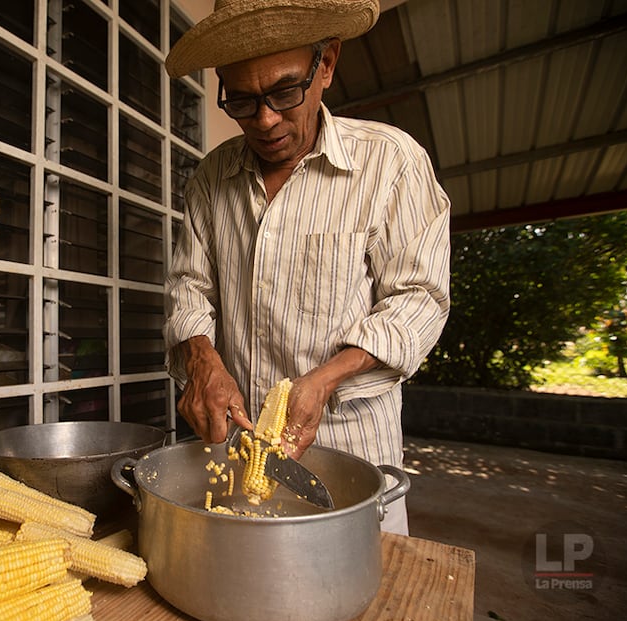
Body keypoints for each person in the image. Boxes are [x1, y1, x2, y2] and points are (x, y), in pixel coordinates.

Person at [162, 0, 451, 535]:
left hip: (354, 453)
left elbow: (418, 299)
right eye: (243, 101)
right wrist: (201, 358)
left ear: (327, 64)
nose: (265, 119)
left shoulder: (391, 163)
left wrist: (327, 378)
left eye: (284, 91)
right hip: (241, 460)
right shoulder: (210, 180)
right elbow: (189, 287)